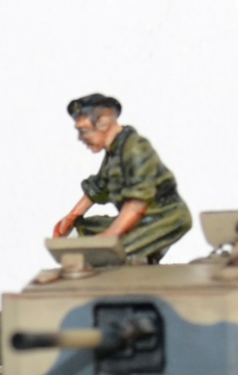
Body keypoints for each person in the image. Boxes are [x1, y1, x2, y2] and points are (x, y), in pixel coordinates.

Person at [52, 94, 192, 264]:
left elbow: (138, 203)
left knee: (114, 251)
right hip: (139, 218)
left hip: (164, 218)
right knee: (84, 228)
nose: (80, 138)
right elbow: (99, 187)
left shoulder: (136, 149)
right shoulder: (114, 151)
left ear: (103, 123)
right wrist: (72, 217)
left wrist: (110, 236)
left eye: (83, 130)